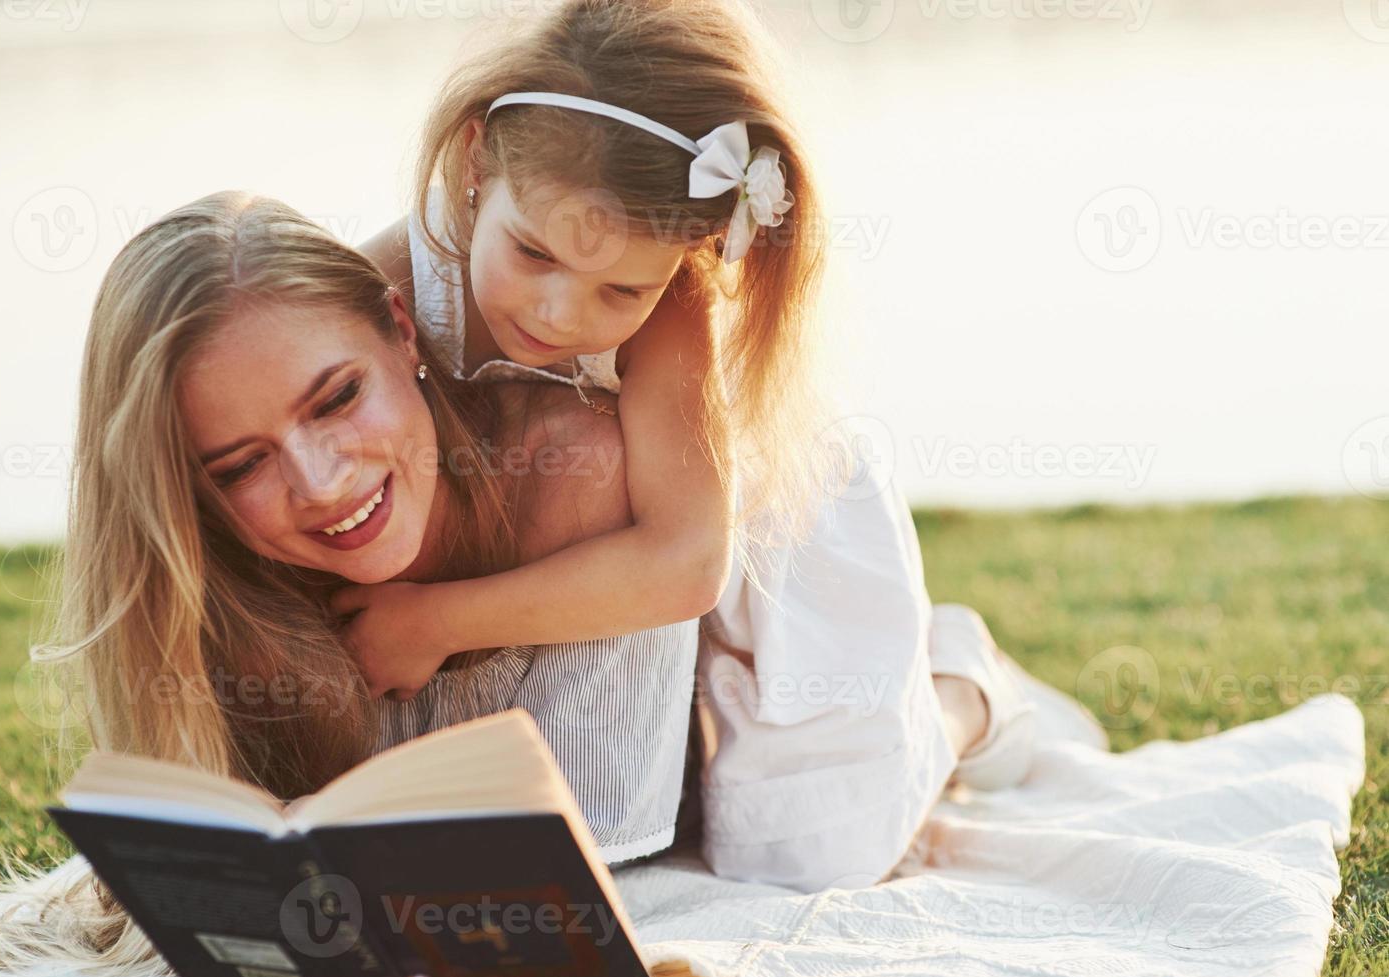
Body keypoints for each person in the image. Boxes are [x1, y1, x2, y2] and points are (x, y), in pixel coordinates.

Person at [344, 0, 1108, 892]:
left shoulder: (675, 311)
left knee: (823, 846)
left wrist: (437, 621)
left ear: (693, 250)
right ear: (478, 161)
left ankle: (965, 690)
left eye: (618, 291)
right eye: (533, 253)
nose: (561, 314)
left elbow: (684, 564)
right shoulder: (392, 277)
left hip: (754, 542)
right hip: (589, 557)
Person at [0, 192, 702, 975]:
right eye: (241, 464)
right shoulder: (227, 579)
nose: (322, 484)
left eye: (337, 398)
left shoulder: (583, 481)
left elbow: (597, 854)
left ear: (403, 332)